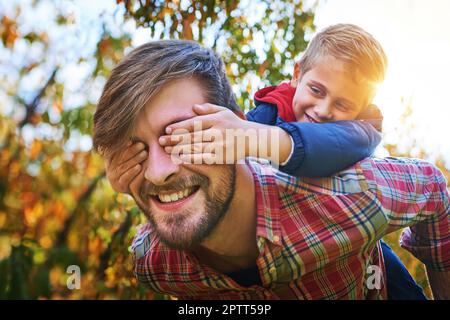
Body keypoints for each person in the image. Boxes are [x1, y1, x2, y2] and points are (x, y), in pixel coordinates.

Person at [93, 40, 450, 299]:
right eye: (136, 152)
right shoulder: (154, 265)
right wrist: (137, 184)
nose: (156, 172)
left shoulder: (357, 191)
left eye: (180, 136)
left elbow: (432, 187)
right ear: (298, 76)